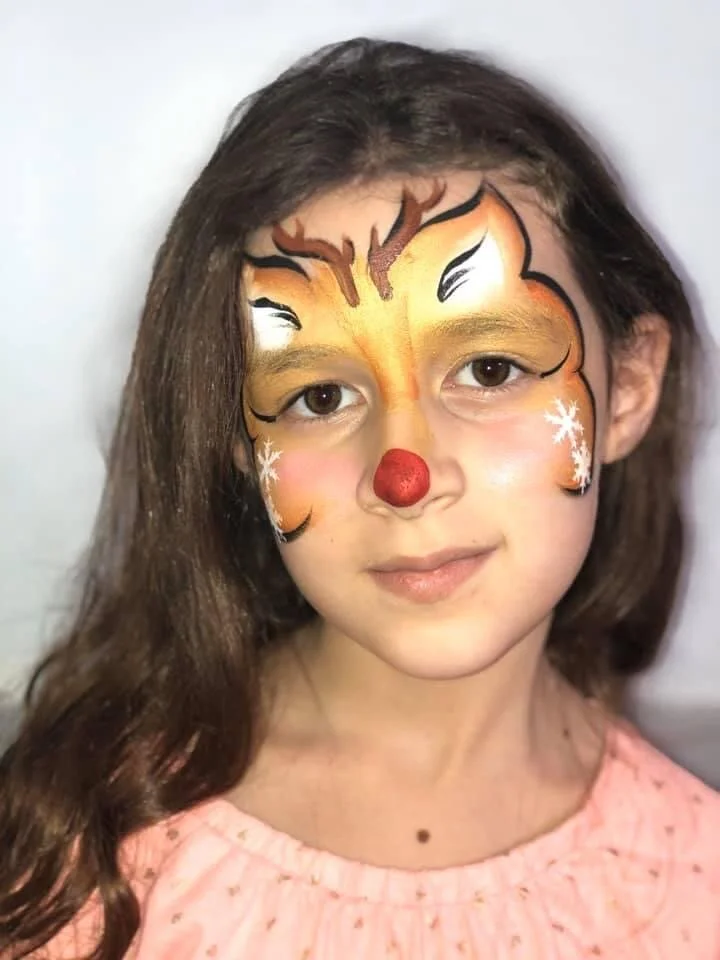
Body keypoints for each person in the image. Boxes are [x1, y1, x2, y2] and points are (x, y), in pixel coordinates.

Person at [1, 36, 718, 960]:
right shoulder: (84, 860)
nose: (406, 476)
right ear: (240, 440)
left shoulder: (691, 884)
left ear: (627, 387)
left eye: (490, 368)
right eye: (319, 396)